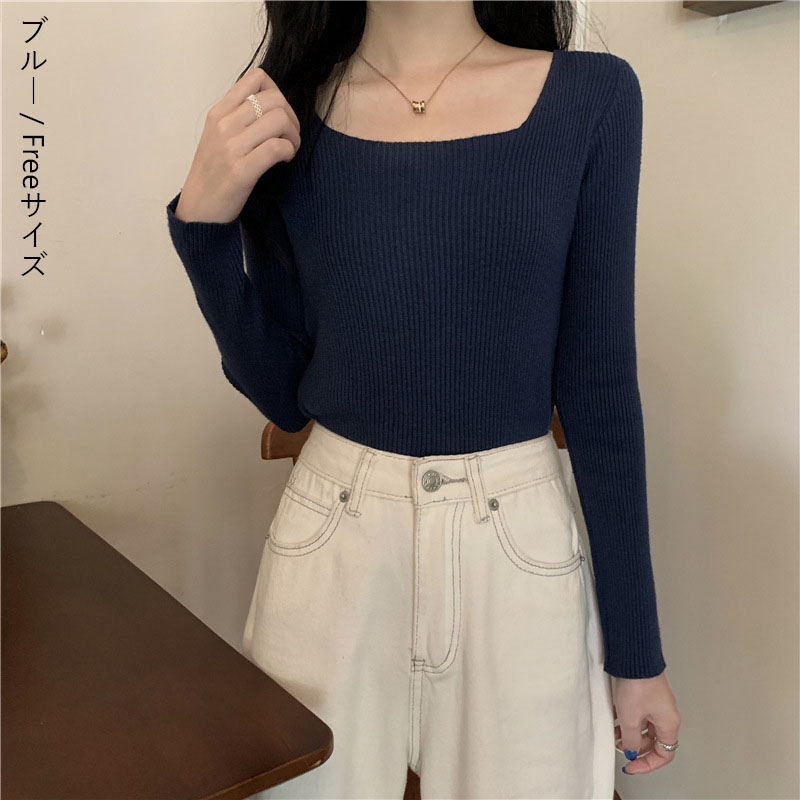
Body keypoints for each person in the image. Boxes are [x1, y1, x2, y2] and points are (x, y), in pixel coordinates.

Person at [165, 2, 681, 797]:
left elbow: (601, 387)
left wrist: (636, 655)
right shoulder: (288, 112)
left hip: (518, 554)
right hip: (332, 540)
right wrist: (204, 227)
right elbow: (285, 396)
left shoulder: (593, 97)